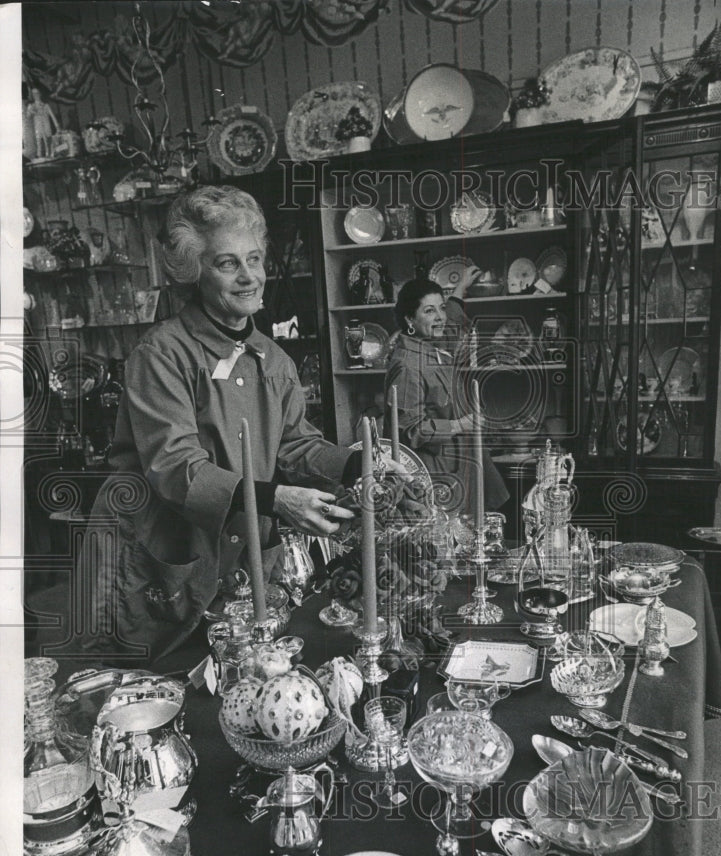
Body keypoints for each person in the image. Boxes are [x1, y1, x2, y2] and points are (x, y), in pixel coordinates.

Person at [78, 185, 400, 665]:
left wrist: (357, 464)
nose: (249, 276)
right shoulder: (161, 354)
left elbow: (296, 446)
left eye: (254, 259)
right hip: (158, 555)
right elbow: (176, 467)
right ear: (195, 272)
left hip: (234, 559)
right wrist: (277, 500)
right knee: (143, 687)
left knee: (237, 679)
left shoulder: (273, 358)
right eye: (228, 263)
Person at [384, 276, 509, 517]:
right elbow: (411, 429)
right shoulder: (408, 364)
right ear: (410, 319)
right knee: (443, 537)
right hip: (434, 472)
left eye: (441, 308)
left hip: (454, 465)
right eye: (429, 311)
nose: (440, 316)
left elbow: (448, 325)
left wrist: (459, 290)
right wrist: (458, 424)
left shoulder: (427, 346)